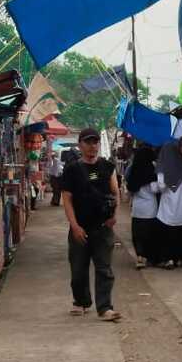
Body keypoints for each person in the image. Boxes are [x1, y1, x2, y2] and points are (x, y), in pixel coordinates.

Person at [59, 127, 122, 321]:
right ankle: (81, 301)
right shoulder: (72, 170)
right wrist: (75, 225)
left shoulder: (107, 166)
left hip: (103, 228)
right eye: (88, 142)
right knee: (78, 269)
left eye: (95, 142)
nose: (92, 146)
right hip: (80, 227)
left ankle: (105, 308)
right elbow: (67, 199)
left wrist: (114, 215)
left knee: (104, 269)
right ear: (80, 145)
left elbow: (115, 192)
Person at [153, 136, 182, 269]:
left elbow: (161, 186)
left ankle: (171, 258)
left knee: (170, 233)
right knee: (176, 233)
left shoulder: (163, 169)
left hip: (171, 205)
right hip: (179, 205)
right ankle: (174, 258)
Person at [125, 143, 160, 269]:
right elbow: (156, 189)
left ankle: (139, 257)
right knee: (149, 235)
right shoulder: (152, 170)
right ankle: (147, 257)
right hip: (150, 208)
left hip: (137, 209)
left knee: (137, 235)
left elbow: (129, 189)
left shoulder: (133, 170)